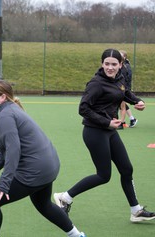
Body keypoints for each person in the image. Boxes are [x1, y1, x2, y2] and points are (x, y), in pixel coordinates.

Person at [0, 80, 86, 237]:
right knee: (44, 204)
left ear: (2, 97)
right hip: (49, 166)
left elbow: (13, 151)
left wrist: (4, 185)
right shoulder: (11, 109)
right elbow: (6, 153)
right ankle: (77, 235)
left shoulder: (5, 116)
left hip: (35, 170)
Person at [54, 48, 155, 223]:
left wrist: (137, 101)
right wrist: (106, 122)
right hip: (95, 132)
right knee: (103, 175)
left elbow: (124, 93)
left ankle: (135, 210)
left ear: (120, 65)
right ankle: (65, 197)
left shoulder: (119, 78)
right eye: (107, 64)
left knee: (126, 169)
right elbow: (83, 109)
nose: (110, 67)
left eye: (114, 64)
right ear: (102, 64)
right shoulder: (96, 84)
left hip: (109, 131)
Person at [118, 50, 137, 129]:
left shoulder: (125, 67)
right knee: (121, 105)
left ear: (124, 57)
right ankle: (132, 119)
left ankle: (121, 123)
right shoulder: (122, 65)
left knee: (122, 105)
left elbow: (126, 80)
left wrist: (125, 89)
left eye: (120, 55)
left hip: (124, 89)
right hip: (121, 88)